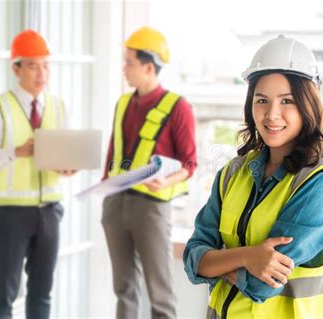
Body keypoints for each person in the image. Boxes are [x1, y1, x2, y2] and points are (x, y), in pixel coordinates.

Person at [183, 35, 323, 319]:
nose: (271, 114)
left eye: (287, 100)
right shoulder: (233, 174)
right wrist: (248, 257)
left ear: (308, 105)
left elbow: (262, 284)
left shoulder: (320, 183)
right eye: (261, 100)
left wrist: (216, 262)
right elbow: (193, 257)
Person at [0, 29, 74, 319]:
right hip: (10, 214)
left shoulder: (58, 106)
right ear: (16, 68)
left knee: (42, 294)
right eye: (33, 65)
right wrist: (16, 152)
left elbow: (62, 155)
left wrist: (67, 166)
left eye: (46, 65)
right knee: (3, 294)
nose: (42, 73)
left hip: (50, 212)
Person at [102, 26, 197, 319]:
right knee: (124, 289)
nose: (124, 70)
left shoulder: (177, 107)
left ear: (148, 66)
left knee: (160, 293)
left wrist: (166, 180)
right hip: (116, 203)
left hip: (151, 208)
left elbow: (189, 164)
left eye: (129, 63)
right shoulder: (123, 103)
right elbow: (113, 155)